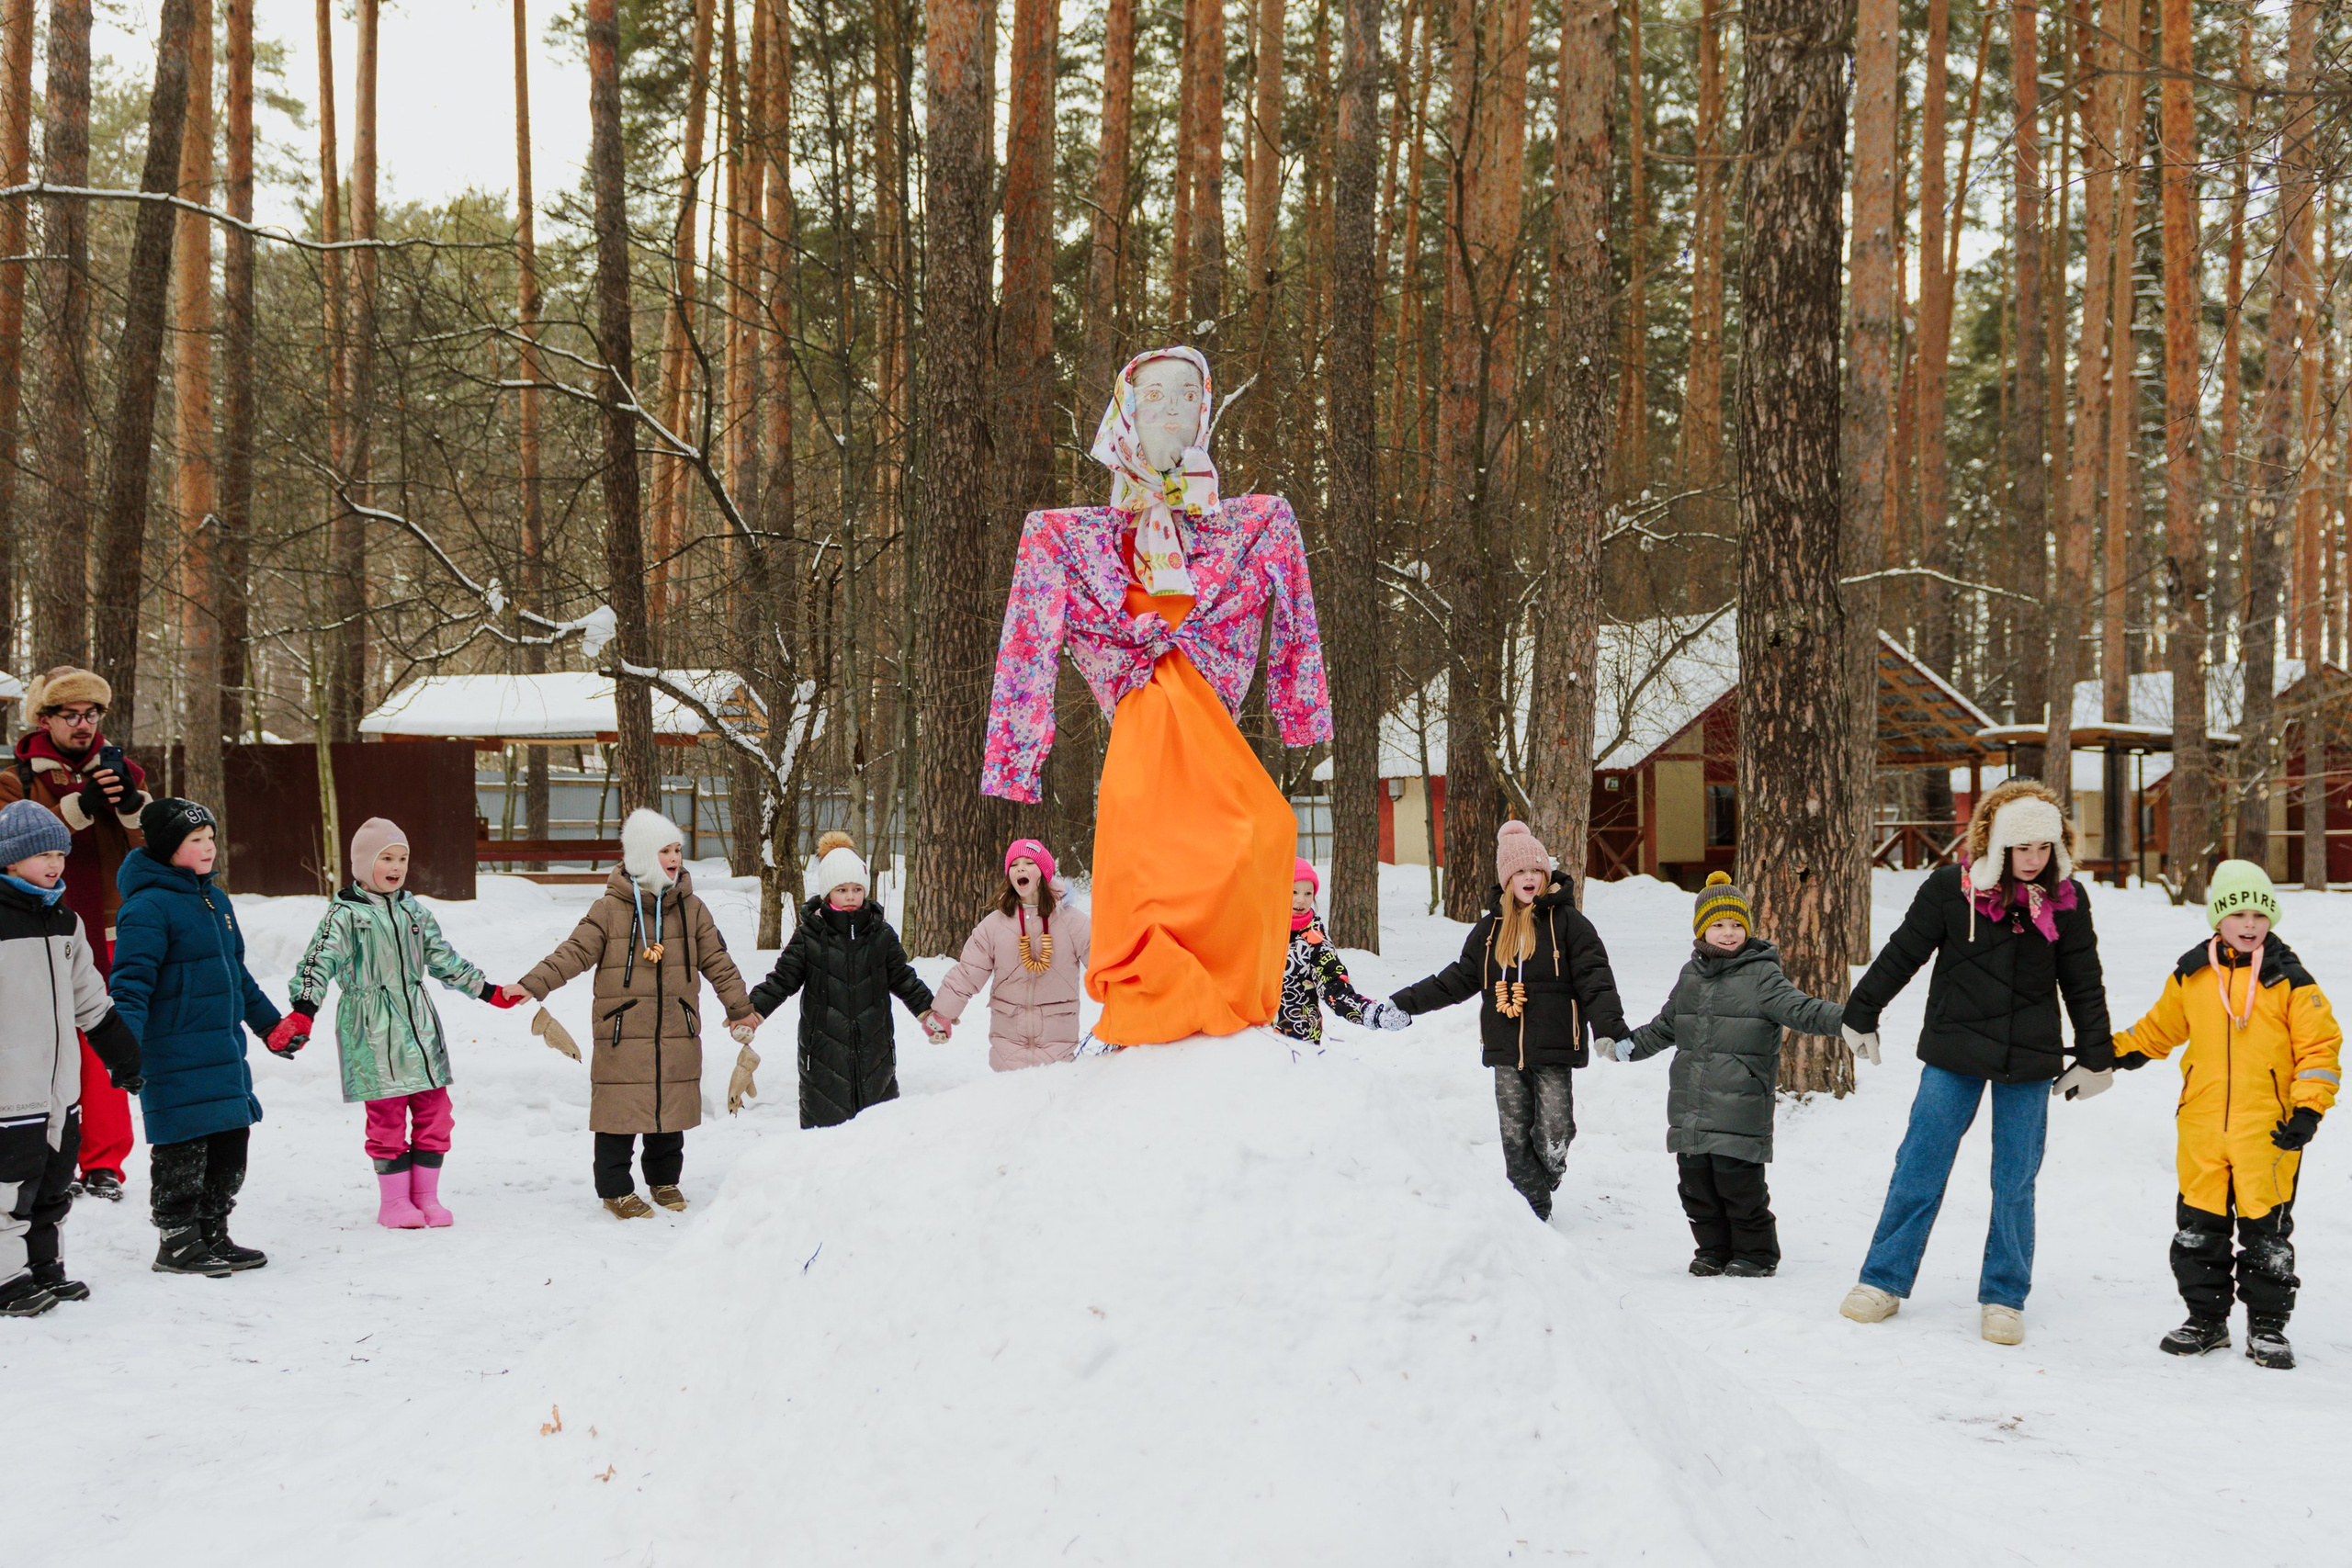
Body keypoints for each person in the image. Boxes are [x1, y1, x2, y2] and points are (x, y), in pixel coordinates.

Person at [981, 347, 1331, 1046]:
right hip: (1143, 725)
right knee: (1145, 867)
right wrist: (1016, 753)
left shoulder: (1251, 523)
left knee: (1265, 831)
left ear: (1205, 412)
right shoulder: (1075, 537)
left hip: (1211, 728)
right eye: (1152, 394)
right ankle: (1156, 1001)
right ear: (1124, 412)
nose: (1171, 408)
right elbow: (1027, 634)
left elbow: (1292, 596)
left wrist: (1302, 710)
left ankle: (1227, 990)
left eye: (1186, 395)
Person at [1836, 778, 2112, 1346]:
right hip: (1953, 1051)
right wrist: (1862, 1011)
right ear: (1996, 843)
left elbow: (2083, 982)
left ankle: (2004, 1296)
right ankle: (1882, 1281)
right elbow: (1901, 953)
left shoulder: (2067, 900)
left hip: (2029, 1059)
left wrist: (2095, 1056)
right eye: (2021, 849)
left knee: (2015, 1181)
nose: (2033, 861)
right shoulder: (1949, 890)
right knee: (1920, 1164)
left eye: (2044, 848)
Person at [2109, 860, 2341, 1370]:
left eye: (2260, 912)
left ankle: (2268, 1327)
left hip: (2269, 1133)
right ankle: (2206, 1320)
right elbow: (2156, 1031)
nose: (2250, 922)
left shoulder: (2291, 980)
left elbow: (2320, 1050)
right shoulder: (2192, 976)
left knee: (2267, 1235)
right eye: (2238, 912)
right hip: (2203, 1127)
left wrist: (2308, 1110)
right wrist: (2110, 1053)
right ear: (2218, 918)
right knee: (2198, 1232)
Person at [271, 818, 526, 1229]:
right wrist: (303, 1009)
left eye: (402, 858)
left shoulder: (414, 912)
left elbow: (444, 959)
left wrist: (488, 991)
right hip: (370, 1027)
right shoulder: (344, 916)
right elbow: (317, 963)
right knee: (388, 1113)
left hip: (419, 1024)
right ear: (362, 863)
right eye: (386, 858)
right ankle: (393, 1202)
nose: (396, 866)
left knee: (435, 1110)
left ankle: (425, 1196)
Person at [514, 809, 756, 1219]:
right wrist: (532, 984)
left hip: (677, 1027)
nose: (675, 857)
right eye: (665, 850)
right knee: (618, 1115)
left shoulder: (692, 908)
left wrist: (740, 1010)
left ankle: (664, 1181)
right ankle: (616, 1189)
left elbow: (718, 959)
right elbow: (573, 952)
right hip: (622, 1031)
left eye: (677, 849)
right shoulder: (609, 909)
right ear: (643, 856)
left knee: (670, 1110)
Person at [1601, 872, 1846, 1278]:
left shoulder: (1763, 976)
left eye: (1736, 925)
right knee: (1695, 1185)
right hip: (1691, 1105)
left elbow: (1801, 1008)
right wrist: (1628, 1047)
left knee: (1739, 1186)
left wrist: (1847, 1021)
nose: (1729, 933)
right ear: (1702, 930)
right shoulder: (1691, 975)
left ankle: (1756, 1253)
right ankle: (1713, 1249)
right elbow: (1667, 1025)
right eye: (1718, 925)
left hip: (1740, 1104)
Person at [1389, 821, 1630, 1220]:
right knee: (1515, 1133)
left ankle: (1542, 1178)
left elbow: (1596, 979)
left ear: (1546, 874)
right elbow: (1457, 980)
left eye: (1535, 870)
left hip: (1554, 1047)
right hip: (1504, 1048)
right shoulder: (1489, 932)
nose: (1529, 878)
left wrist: (1609, 1029)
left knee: (1555, 1130)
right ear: (1507, 879)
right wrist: (1404, 1004)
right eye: (1520, 872)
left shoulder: (1569, 925)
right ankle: (1532, 1210)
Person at [107, 799, 283, 1277]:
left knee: (231, 1143)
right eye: (195, 841)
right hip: (173, 1051)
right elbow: (131, 982)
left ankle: (213, 1231)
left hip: (221, 1049)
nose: (208, 847)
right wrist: (125, 1047)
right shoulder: (146, 907)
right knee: (184, 1147)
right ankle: (178, 1241)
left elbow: (237, 974)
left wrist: (270, 1026)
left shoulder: (216, 900)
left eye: (210, 838)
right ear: (168, 849)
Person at [0, 668, 153, 1201]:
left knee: (104, 1037)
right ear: (46, 719)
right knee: (41, 1043)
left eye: (92, 714)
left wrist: (134, 804)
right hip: (32, 930)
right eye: (71, 715)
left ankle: (105, 1161)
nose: (84, 724)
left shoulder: (123, 770)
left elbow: (158, 847)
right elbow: (8, 846)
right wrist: (78, 807)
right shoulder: (15, 778)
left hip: (112, 926)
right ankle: (42, 1158)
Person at [0, 801, 140, 1314]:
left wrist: (122, 1054)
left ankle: (43, 1268)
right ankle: (5, 1277)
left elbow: (90, 998)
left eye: (60, 851)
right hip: (8, 1083)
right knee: (9, 1185)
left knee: (55, 1179)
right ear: (10, 861)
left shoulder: (65, 921)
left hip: (61, 1085)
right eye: (41, 854)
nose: (55, 863)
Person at [744, 834, 947, 1128]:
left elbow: (903, 978)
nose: (850, 896)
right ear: (828, 893)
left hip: (876, 1055)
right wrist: (753, 1011)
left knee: (878, 1132)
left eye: (856, 889)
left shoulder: (881, 934)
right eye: (842, 889)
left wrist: (929, 1011)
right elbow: (781, 980)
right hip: (824, 1059)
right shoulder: (809, 936)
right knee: (825, 1135)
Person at [930, 839, 1095, 1071]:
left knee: (1053, 1101)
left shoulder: (1072, 921)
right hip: (1008, 1038)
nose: (1021, 868)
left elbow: (1102, 965)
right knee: (1011, 1100)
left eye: (1029, 862)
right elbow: (969, 972)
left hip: (1057, 1038)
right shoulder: (995, 924)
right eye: (1014, 864)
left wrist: (1126, 1007)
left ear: (1044, 873)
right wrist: (943, 1013)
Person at [1274, 857, 1410, 1053]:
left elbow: (1335, 988)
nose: (1301, 900)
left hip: (1298, 1040)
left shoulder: (1315, 941)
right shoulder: (1261, 933)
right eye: (1293, 891)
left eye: (1308, 893)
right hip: (1254, 1038)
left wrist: (1371, 1013)